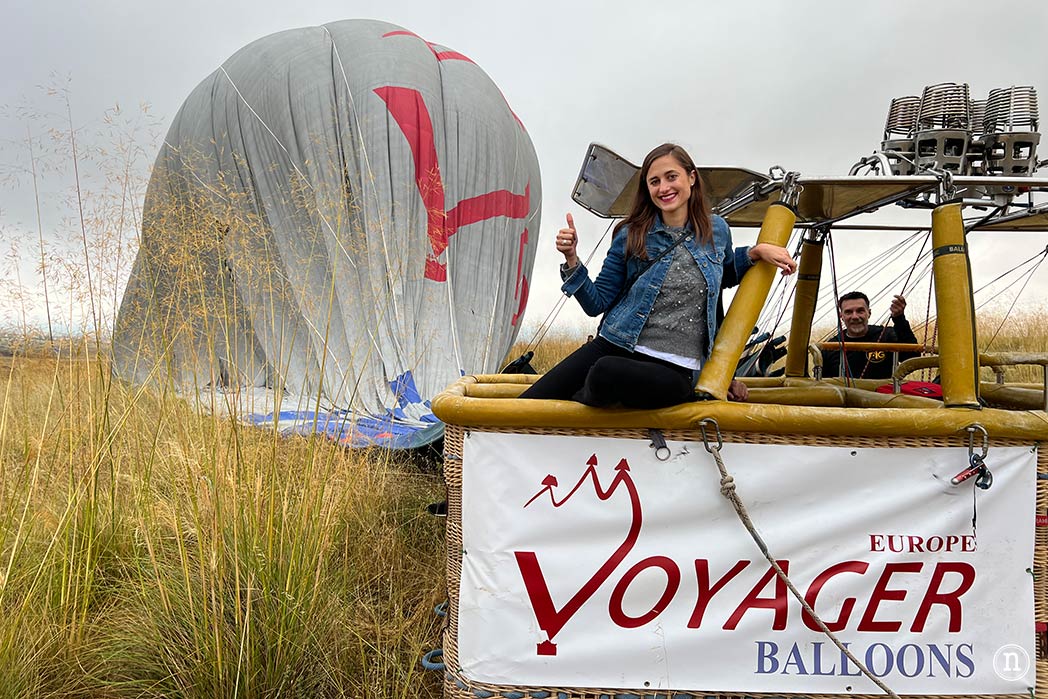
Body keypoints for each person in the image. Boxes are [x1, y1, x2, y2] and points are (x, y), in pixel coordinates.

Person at [520, 143, 796, 409]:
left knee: (605, 373)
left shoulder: (717, 230)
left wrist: (755, 252)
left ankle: (590, 398)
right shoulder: (632, 234)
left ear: (691, 178)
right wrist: (572, 260)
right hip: (617, 344)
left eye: (671, 177)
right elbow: (597, 303)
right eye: (654, 181)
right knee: (528, 403)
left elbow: (718, 280)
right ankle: (588, 401)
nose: (664, 188)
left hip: (675, 368)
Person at [821, 291, 919, 380]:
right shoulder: (830, 348)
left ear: (869, 313)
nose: (855, 317)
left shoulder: (887, 335)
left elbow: (913, 357)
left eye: (860, 311)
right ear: (841, 316)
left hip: (884, 398)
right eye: (848, 312)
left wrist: (899, 318)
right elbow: (824, 386)